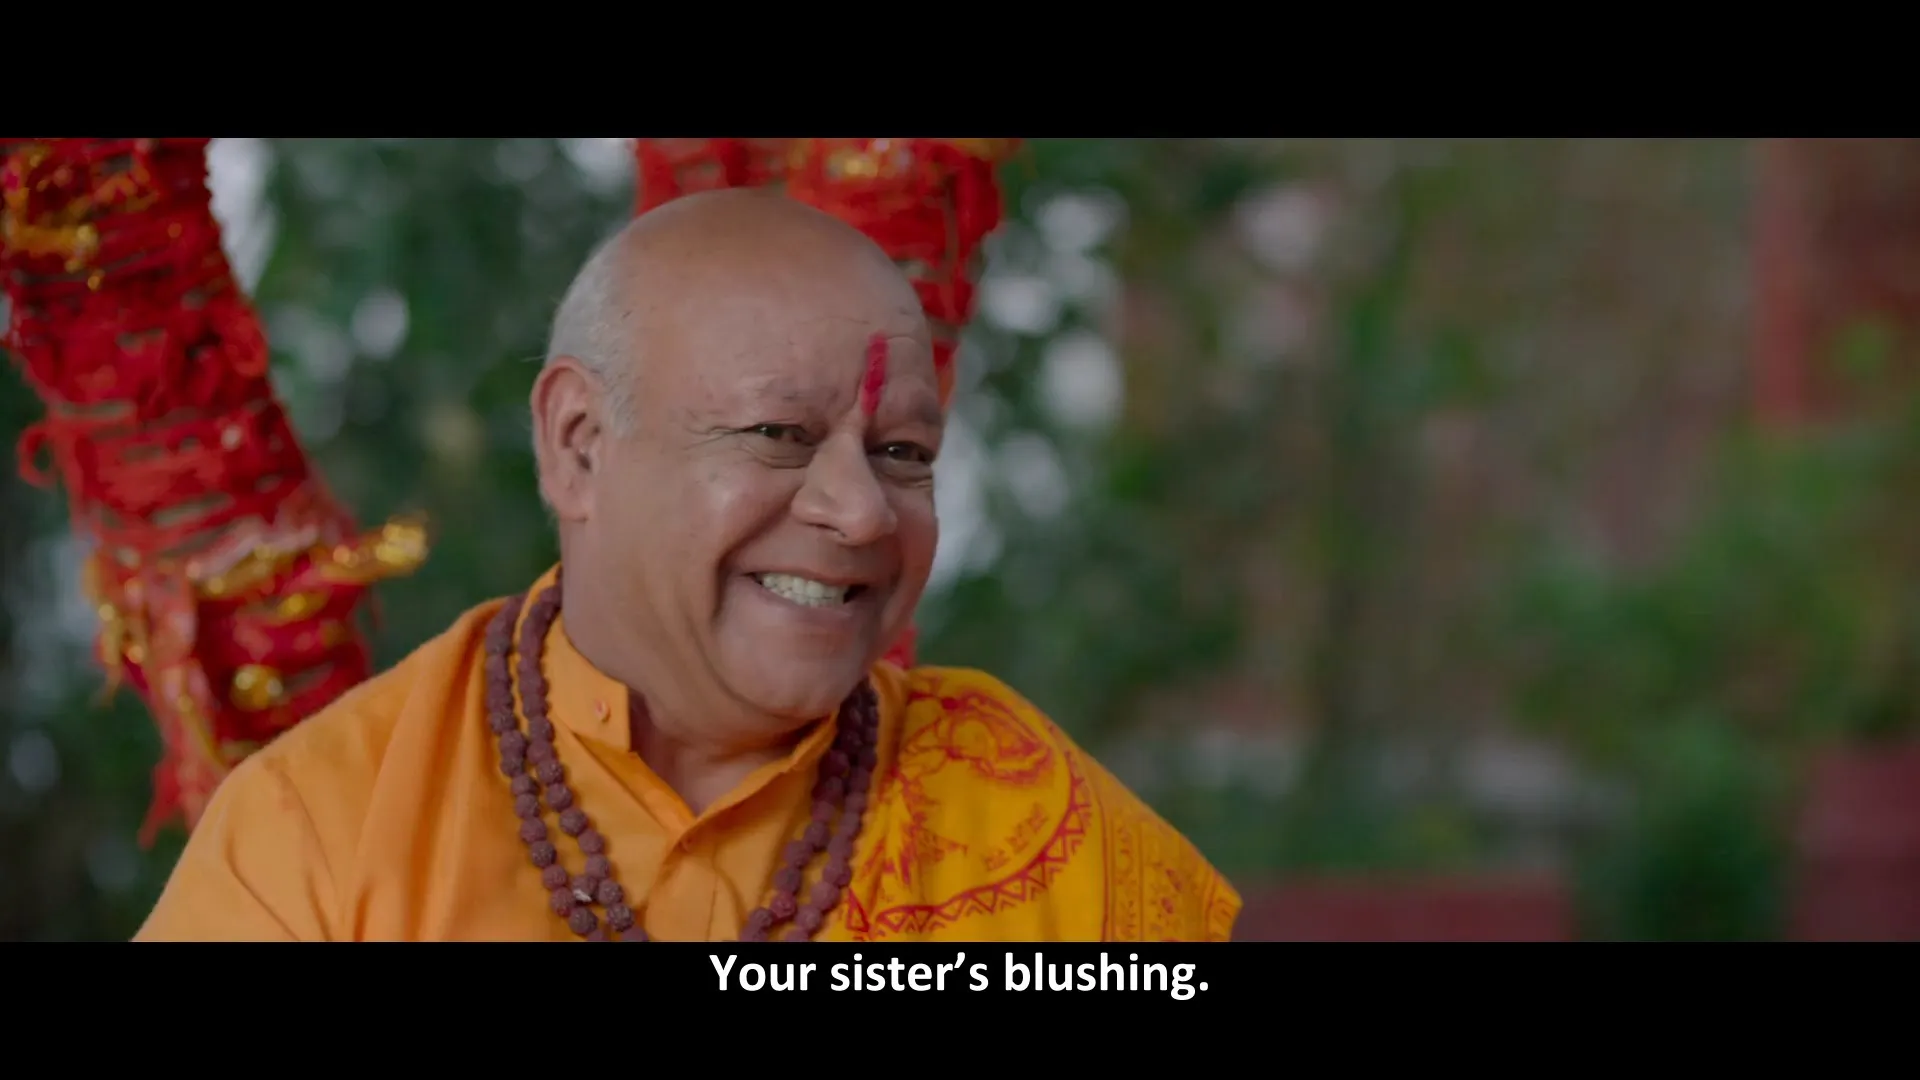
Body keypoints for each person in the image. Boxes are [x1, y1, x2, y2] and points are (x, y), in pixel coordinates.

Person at [135, 189, 1242, 942]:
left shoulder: (1034, 823)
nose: (861, 510)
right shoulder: (324, 835)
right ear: (580, 445)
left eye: (904, 453)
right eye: (779, 435)